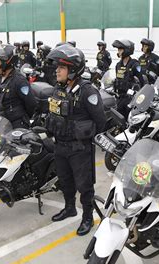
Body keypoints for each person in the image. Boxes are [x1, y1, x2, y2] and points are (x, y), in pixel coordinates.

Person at [45, 44, 106, 236]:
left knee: (84, 186)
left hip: (79, 149)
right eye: (58, 67)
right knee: (65, 181)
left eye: (61, 68)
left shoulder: (87, 92)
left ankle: (87, 217)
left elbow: (100, 121)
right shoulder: (58, 88)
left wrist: (83, 134)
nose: (57, 71)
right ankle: (69, 208)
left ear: (72, 71)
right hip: (60, 146)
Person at [0, 44, 37, 128]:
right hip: (0, 123)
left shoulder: (19, 81)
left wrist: (19, 116)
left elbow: (31, 104)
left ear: (6, 63)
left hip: (16, 126)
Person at [112, 39, 145, 118]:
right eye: (118, 49)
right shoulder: (118, 65)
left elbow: (141, 81)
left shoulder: (135, 64)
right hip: (119, 97)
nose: (118, 52)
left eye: (120, 49)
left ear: (127, 50)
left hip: (130, 99)